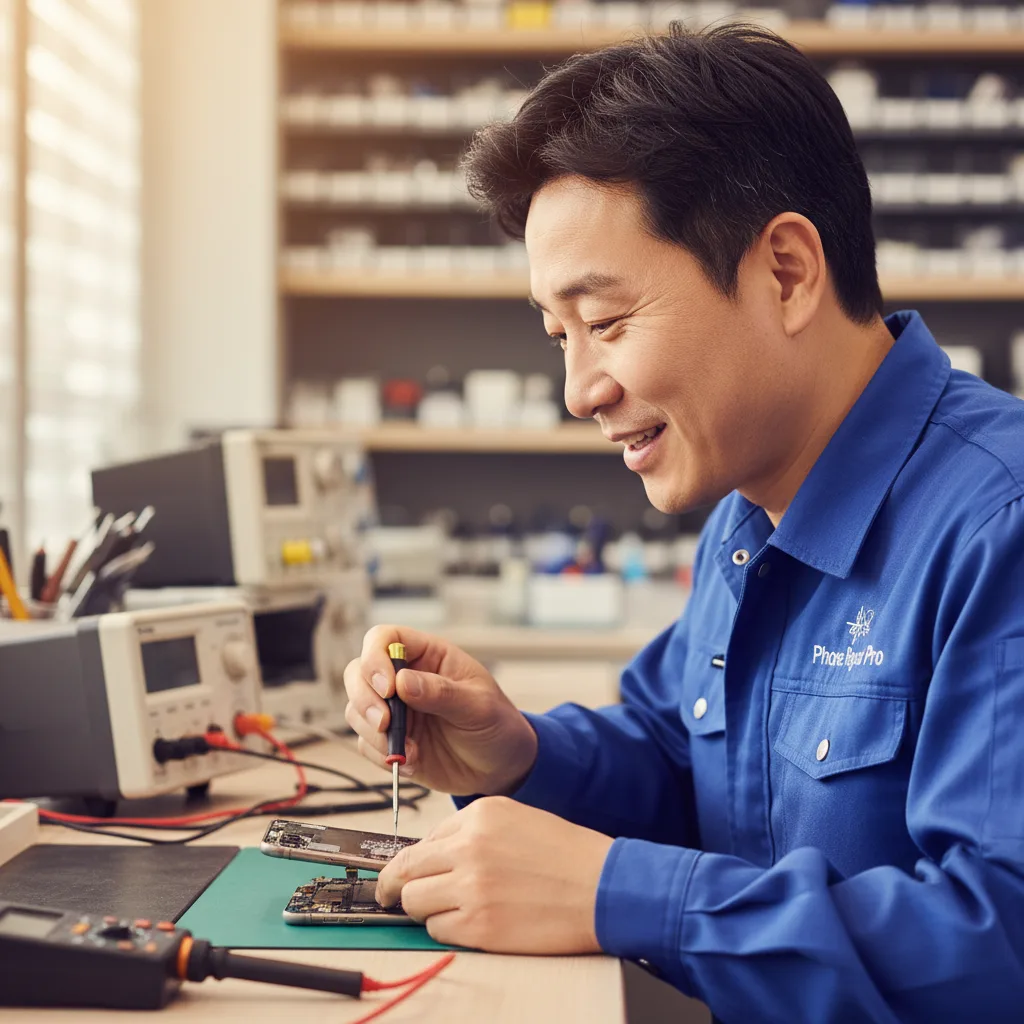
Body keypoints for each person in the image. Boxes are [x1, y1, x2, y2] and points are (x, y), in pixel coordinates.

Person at [344, 24, 1024, 1022]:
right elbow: (685, 764)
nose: (580, 389)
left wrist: (615, 894)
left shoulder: (996, 525)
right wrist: (517, 752)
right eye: (558, 335)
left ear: (786, 273)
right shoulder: (749, 512)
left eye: (606, 321)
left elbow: (997, 938)